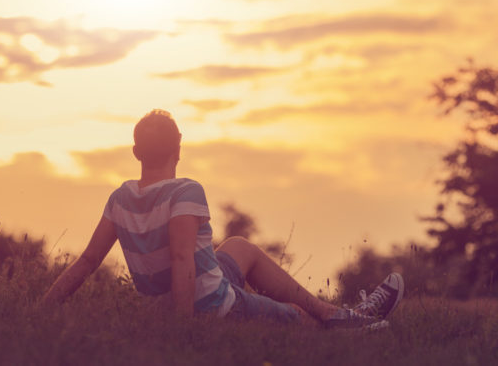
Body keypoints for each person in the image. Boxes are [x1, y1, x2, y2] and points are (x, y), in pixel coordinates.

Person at [41, 109, 403, 329]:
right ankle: (343, 321)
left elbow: (87, 261)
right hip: (211, 304)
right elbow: (182, 258)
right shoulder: (185, 192)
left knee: (239, 247)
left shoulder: (119, 199)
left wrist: (40, 311)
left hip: (176, 296)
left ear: (136, 152)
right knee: (296, 316)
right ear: (178, 151)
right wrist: (186, 330)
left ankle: (336, 312)